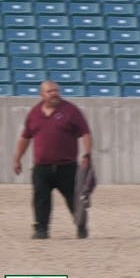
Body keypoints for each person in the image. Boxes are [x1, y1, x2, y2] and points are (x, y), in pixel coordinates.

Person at [13, 80, 93, 239]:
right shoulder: (34, 113)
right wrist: (18, 158)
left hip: (67, 167)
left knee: (75, 200)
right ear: (42, 94)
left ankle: (81, 228)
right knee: (40, 200)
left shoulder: (71, 110)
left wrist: (87, 154)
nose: (54, 93)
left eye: (56, 90)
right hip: (42, 168)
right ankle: (41, 230)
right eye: (50, 91)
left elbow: (85, 133)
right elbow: (25, 137)